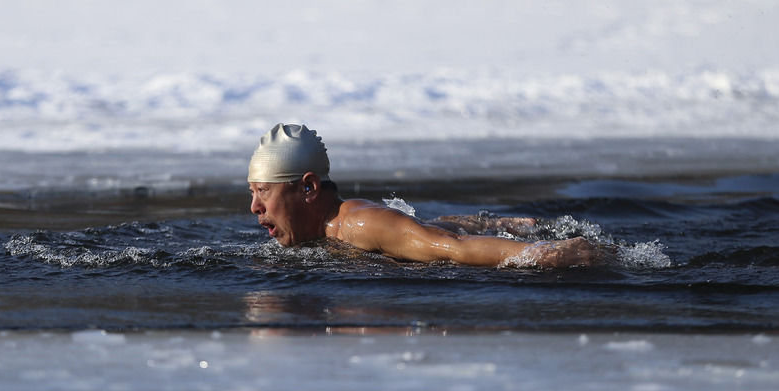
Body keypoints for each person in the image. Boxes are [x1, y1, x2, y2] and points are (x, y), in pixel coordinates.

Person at [247, 123, 599, 268]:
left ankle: (517, 233)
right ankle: (496, 223)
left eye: (263, 191)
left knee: (433, 237)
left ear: (308, 188)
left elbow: (453, 248)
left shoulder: (359, 224)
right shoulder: (327, 231)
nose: (254, 207)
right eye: (252, 192)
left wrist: (548, 253)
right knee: (426, 228)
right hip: (416, 229)